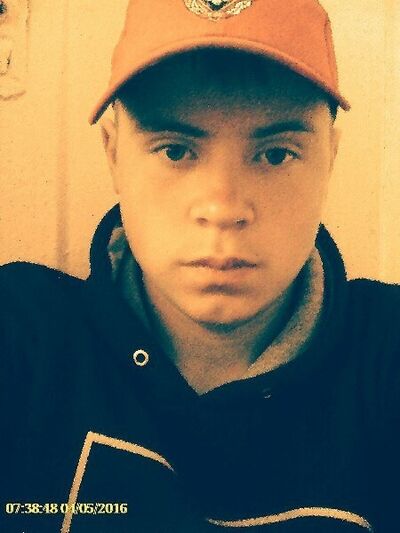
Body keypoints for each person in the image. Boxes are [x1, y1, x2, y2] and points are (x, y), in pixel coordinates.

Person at [1, 1, 399, 531]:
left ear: (330, 158)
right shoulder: (22, 338)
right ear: (114, 154)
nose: (223, 207)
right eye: (175, 151)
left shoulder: (387, 354)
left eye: (276, 153)